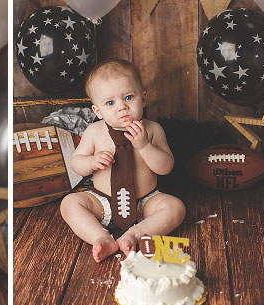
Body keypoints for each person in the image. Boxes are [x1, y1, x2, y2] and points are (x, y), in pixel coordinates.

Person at [59, 58, 185, 262]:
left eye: (128, 97)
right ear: (97, 111)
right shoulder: (93, 132)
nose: (122, 107)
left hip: (145, 203)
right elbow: (76, 163)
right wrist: (90, 162)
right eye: (110, 102)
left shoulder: (152, 130)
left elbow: (165, 167)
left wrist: (145, 146)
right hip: (103, 201)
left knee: (175, 207)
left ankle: (133, 235)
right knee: (69, 203)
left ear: (143, 99)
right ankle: (101, 237)